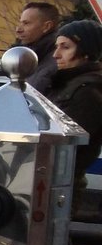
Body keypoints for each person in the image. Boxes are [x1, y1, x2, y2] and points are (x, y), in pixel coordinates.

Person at [48, 20, 102, 217]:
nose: (56, 54)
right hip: (52, 177)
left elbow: (65, 144)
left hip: (60, 180)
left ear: (86, 51)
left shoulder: (87, 90)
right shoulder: (68, 83)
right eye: (57, 46)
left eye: (65, 47)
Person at [15, 1, 60, 93]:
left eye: (26, 23)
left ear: (46, 26)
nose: (18, 30)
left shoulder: (58, 61)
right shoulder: (31, 56)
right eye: (20, 23)